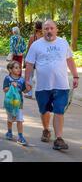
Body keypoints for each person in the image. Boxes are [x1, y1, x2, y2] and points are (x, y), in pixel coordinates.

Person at [25, 20, 79, 150]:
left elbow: (70, 60)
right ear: (42, 31)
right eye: (46, 29)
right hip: (42, 86)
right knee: (44, 111)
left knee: (59, 110)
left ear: (56, 29)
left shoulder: (63, 43)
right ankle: (46, 129)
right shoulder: (36, 45)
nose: (49, 31)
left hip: (61, 85)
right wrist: (27, 80)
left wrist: (75, 75)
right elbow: (29, 64)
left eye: (51, 28)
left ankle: (59, 138)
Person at [3, 61, 28, 146]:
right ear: (10, 69)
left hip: (19, 103)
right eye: (16, 68)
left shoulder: (21, 79)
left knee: (19, 119)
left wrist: (28, 88)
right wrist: (11, 86)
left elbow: (24, 90)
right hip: (10, 103)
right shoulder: (8, 78)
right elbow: (4, 89)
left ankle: (20, 136)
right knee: (10, 119)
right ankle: (9, 132)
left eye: (19, 67)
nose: (19, 69)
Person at [24, 21, 43, 99]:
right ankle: (40, 94)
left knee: (30, 76)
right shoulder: (45, 36)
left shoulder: (33, 37)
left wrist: (26, 59)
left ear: (35, 27)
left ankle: (29, 93)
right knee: (40, 77)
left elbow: (29, 48)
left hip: (32, 59)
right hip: (41, 59)